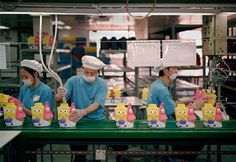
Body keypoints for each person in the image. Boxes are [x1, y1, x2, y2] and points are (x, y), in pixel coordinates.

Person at [147, 66, 209, 161]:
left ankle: (178, 157)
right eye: (174, 68)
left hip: (161, 122)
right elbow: (175, 113)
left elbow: (171, 104)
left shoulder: (157, 84)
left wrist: (189, 100)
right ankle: (180, 158)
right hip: (165, 127)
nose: (177, 71)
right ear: (165, 70)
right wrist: (194, 106)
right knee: (199, 135)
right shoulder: (161, 89)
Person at [56, 55, 107, 162]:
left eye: (92, 73)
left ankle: (100, 160)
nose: (89, 75)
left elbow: (97, 104)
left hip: (97, 120)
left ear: (98, 73)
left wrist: (83, 112)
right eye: (86, 72)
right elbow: (60, 100)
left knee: (100, 152)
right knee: (78, 152)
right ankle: (80, 158)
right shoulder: (73, 81)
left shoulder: (102, 83)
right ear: (82, 69)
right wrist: (59, 95)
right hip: (77, 121)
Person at [19, 59, 55, 162]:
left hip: (40, 129)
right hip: (23, 126)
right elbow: (19, 105)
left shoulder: (45, 90)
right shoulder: (24, 88)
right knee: (12, 145)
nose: (24, 80)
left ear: (35, 74)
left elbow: (44, 116)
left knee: (24, 146)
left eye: (26, 77)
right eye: (22, 77)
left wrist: (25, 110)